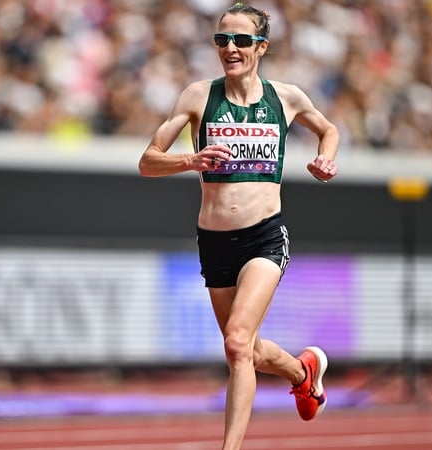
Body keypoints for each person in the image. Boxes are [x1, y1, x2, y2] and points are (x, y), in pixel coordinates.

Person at [138, 3, 339, 449]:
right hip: (214, 241)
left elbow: (328, 129)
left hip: (265, 236)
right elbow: (148, 162)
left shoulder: (286, 98)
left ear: (261, 47)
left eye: (241, 40)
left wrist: (326, 157)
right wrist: (190, 160)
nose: (230, 48)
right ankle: (302, 371)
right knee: (245, 349)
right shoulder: (197, 96)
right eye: (222, 39)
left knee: (235, 344)